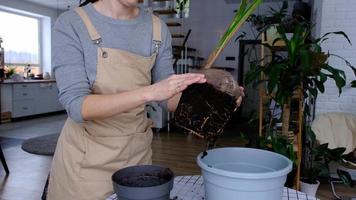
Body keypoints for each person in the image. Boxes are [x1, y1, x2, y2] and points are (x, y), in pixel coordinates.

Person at [47, 0, 243, 199]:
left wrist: (215, 102)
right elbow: (78, 106)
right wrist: (150, 92)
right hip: (86, 163)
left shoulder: (157, 29)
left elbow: (167, 98)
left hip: (137, 156)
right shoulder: (72, 23)